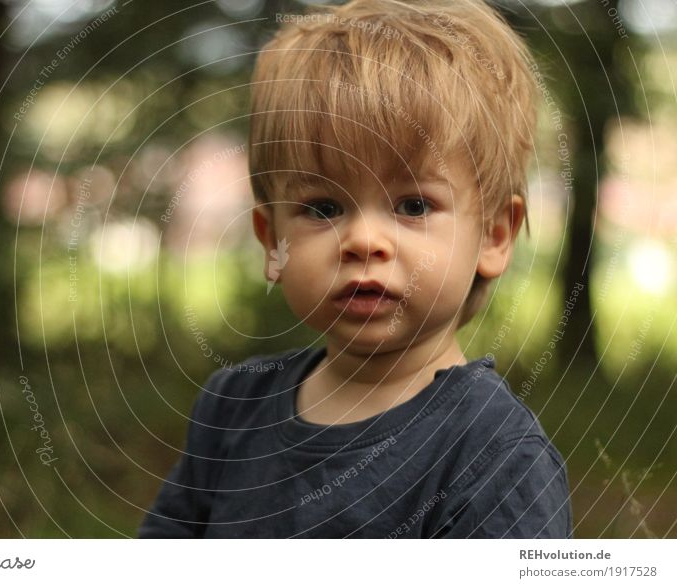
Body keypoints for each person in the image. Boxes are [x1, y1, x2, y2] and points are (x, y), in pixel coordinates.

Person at [138, 0, 572, 538]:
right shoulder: (232, 411)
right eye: (323, 208)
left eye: (413, 206)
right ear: (272, 240)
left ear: (494, 236)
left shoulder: (494, 458)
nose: (364, 240)